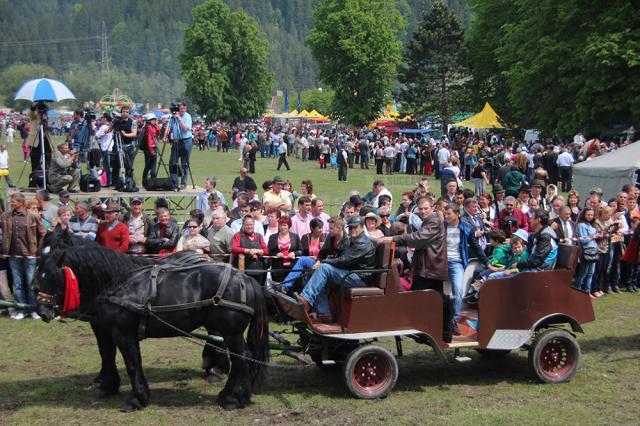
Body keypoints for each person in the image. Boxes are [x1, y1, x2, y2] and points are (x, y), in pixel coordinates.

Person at [294, 216, 376, 322]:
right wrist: (321, 261)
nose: (352, 230)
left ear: (362, 227)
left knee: (323, 269)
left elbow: (343, 260)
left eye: (355, 227)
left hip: (360, 278)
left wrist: (323, 262)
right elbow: (337, 258)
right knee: (319, 274)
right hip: (351, 273)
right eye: (350, 228)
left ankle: (306, 299)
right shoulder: (353, 240)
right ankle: (324, 313)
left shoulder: (362, 243)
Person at [443, 204, 488, 333]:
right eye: (445, 214)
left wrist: (487, 262)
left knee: (458, 291)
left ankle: (453, 321)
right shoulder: (442, 226)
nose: (446, 217)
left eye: (449, 214)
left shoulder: (466, 228)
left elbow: (475, 246)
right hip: (441, 263)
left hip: (456, 262)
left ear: (457, 214)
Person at [1, 192, 46, 319]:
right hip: (13, 256)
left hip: (30, 256)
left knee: (31, 283)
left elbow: (43, 233)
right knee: (18, 284)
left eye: (13, 201)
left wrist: (39, 250)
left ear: (20, 202)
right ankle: (22, 310)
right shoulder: (5, 216)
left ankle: (33, 309)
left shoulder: (32, 216)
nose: (11, 203)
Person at [231, 215, 269, 282]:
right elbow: (234, 248)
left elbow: (266, 251)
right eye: (247, 225)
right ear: (243, 225)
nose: (249, 227)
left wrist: (257, 251)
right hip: (243, 270)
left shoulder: (259, 236)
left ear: (254, 225)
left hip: (259, 269)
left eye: (251, 224)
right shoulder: (238, 235)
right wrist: (248, 251)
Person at [166, 102, 193, 190]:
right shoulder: (173, 116)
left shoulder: (187, 117)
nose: (182, 111)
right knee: (173, 162)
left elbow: (185, 129)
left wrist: (179, 119)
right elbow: (169, 127)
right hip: (176, 141)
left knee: (185, 163)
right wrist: (165, 136)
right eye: (181, 109)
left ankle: (183, 183)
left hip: (186, 141)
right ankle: (174, 182)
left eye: (184, 109)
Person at [267, 215, 302, 282]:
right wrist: (276, 254)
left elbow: (301, 251)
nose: (282, 227)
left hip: (292, 269)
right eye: (280, 225)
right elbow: (269, 251)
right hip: (277, 269)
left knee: (290, 289)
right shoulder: (272, 237)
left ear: (289, 226)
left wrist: (294, 253)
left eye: (285, 225)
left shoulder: (295, 236)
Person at [110, 105, 138, 189]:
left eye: (127, 112)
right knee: (116, 165)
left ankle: (129, 182)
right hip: (117, 146)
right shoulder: (117, 121)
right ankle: (115, 184)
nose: (125, 114)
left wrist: (125, 134)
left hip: (128, 146)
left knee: (128, 166)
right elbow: (109, 129)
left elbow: (134, 133)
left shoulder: (132, 122)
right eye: (123, 112)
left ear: (129, 113)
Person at [574, 207, 598, 296]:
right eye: (588, 214)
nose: (590, 216)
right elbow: (583, 240)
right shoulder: (581, 225)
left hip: (594, 251)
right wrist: (593, 236)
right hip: (585, 251)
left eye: (592, 215)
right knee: (583, 272)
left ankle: (587, 292)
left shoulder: (591, 225)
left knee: (591, 273)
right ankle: (578, 291)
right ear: (584, 215)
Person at [140, 113, 160, 187]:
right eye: (154, 119)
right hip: (149, 149)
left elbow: (158, 133)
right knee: (148, 166)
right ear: (149, 120)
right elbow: (148, 140)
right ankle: (145, 182)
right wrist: (151, 151)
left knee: (153, 167)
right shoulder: (148, 128)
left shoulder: (153, 127)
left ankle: (152, 182)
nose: (155, 121)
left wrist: (157, 126)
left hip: (153, 148)